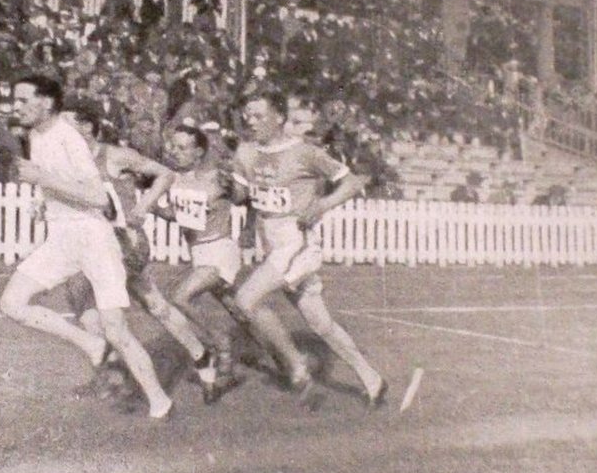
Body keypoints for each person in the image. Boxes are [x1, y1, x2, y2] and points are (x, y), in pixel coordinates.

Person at [0, 76, 173, 420]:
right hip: (61, 237)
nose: (16, 107)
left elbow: (98, 198)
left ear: (47, 102)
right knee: (11, 303)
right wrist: (44, 200)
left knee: (116, 330)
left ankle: (160, 403)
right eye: (14, 100)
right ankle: (91, 344)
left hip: (93, 239)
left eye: (23, 100)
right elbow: (60, 184)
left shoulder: (68, 137)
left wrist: (43, 180)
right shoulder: (36, 135)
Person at [64, 104, 235, 405]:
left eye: (66, 125)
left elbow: (165, 174)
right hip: (93, 243)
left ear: (87, 126)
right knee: (154, 305)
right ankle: (201, 357)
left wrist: (143, 206)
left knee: (89, 297)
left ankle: (115, 374)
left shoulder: (115, 156)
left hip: (124, 242)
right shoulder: (67, 160)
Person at [229, 91, 389, 411]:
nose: (251, 122)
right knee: (320, 323)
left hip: (296, 243)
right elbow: (240, 196)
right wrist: (229, 184)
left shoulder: (304, 152)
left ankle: (298, 366)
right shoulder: (245, 151)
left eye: (259, 116)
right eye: (247, 116)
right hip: (270, 242)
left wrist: (323, 204)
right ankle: (372, 378)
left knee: (246, 299)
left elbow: (353, 182)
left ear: (279, 117)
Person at [157, 124, 250, 402]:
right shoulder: (172, 179)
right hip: (198, 253)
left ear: (198, 152)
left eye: (182, 148)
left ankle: (221, 343)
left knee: (179, 296)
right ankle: (279, 359)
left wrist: (235, 183)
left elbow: (244, 198)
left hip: (221, 250)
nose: (175, 152)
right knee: (241, 311)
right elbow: (177, 216)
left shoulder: (216, 177)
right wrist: (152, 208)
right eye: (173, 146)